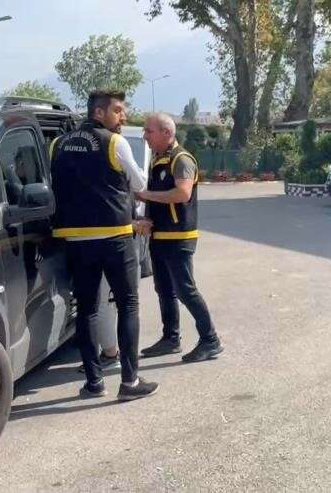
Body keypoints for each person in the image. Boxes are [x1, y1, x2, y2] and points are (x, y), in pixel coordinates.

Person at [49, 90, 159, 401]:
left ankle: (94, 383)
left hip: (75, 240)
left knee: (86, 310)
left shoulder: (58, 144)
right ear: (99, 113)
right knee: (128, 304)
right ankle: (129, 382)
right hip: (114, 238)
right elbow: (140, 184)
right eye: (118, 110)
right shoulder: (114, 142)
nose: (123, 116)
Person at [136, 113, 223, 363]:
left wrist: (145, 195)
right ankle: (170, 338)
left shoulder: (181, 159)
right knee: (163, 289)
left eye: (149, 131)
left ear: (166, 133)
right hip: (160, 235)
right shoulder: (158, 159)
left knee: (185, 290)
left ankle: (211, 340)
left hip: (179, 236)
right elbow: (158, 196)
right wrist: (147, 218)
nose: (144, 136)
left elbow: (182, 194)